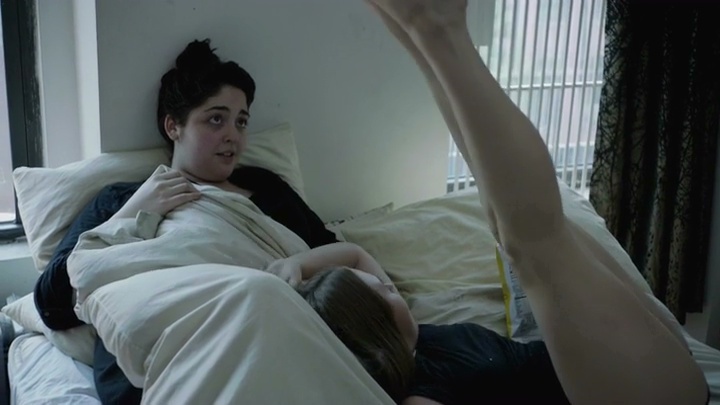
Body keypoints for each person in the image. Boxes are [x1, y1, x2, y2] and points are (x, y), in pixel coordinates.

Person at [284, 0, 710, 404]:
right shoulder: (422, 388)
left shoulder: (414, 336)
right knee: (531, 244)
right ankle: (436, 30)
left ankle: (416, 35)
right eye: (382, 294)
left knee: (510, 220)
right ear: (373, 337)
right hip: (640, 392)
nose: (388, 284)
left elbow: (356, 256)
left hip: (631, 364)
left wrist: (297, 267)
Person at [34, 39, 339, 405]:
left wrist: (299, 265)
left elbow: (335, 258)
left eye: (241, 122)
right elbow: (51, 304)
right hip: (165, 365)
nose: (233, 134)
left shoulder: (267, 190)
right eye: (216, 119)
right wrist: (135, 211)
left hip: (275, 337)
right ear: (173, 126)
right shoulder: (121, 198)